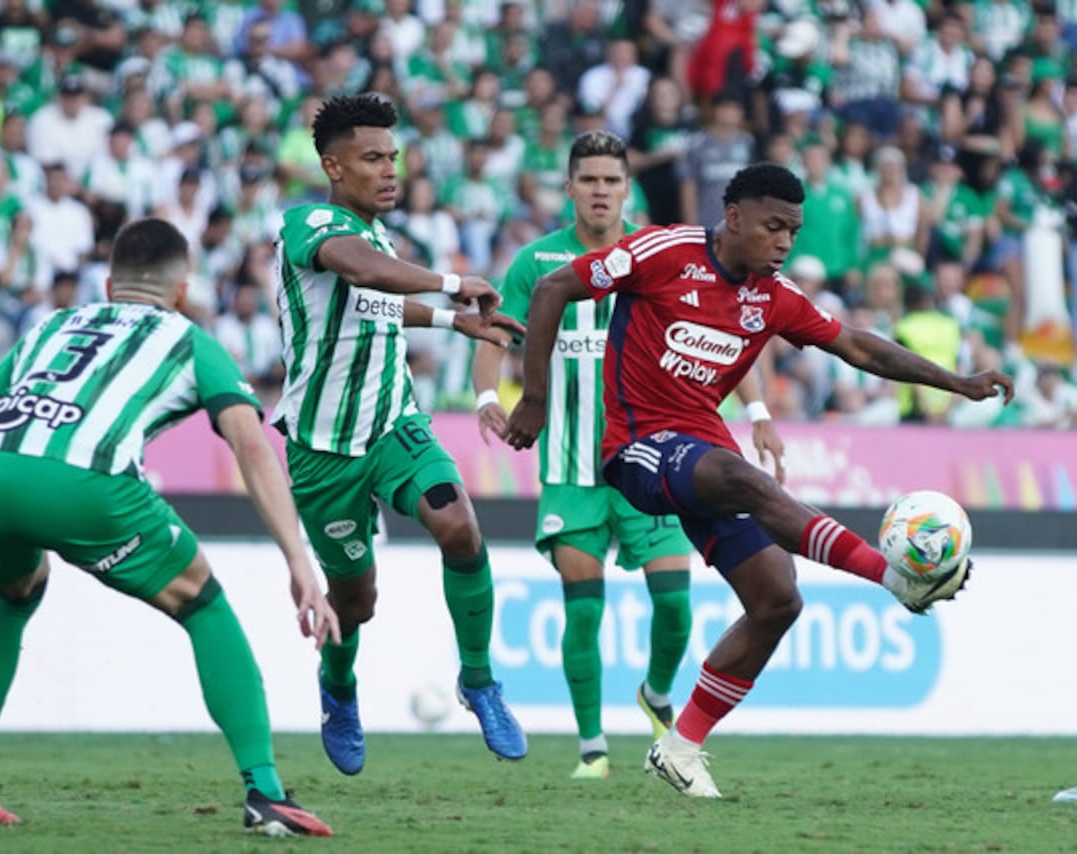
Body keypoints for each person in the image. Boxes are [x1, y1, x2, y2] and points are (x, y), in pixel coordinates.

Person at [503, 163, 1013, 798]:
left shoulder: (774, 296)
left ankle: (681, 746)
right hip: (634, 448)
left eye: (793, 232)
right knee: (738, 474)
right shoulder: (663, 252)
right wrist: (534, 398)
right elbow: (552, 289)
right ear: (734, 217)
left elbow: (857, 346)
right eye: (773, 226)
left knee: (778, 599)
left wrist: (957, 382)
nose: (784, 242)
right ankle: (893, 577)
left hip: (703, 457)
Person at [0, 218, 339, 837]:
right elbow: (250, 445)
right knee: (204, 604)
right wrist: (299, 561)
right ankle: (265, 792)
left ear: (108, 285)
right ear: (181, 292)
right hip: (87, 483)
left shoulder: (50, 327)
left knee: (16, 589)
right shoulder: (190, 339)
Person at [472, 130, 786, 780]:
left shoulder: (662, 252)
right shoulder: (536, 262)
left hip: (655, 455)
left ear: (627, 188)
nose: (600, 191)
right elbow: (497, 332)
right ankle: (592, 747)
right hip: (570, 464)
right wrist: (484, 395)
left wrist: (757, 412)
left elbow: (728, 329)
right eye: (588, 180)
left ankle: (658, 695)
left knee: (675, 603)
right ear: (569, 187)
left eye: (611, 181)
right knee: (582, 605)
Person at [272, 93, 528, 776]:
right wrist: (453, 285)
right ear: (332, 164)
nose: (390, 171)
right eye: (372, 158)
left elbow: (377, 301)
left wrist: (454, 324)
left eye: (394, 157)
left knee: (460, 527)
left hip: (393, 423)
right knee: (356, 602)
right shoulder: (310, 223)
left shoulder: (377, 239)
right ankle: (339, 686)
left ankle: (478, 680)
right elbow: (359, 271)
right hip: (322, 448)